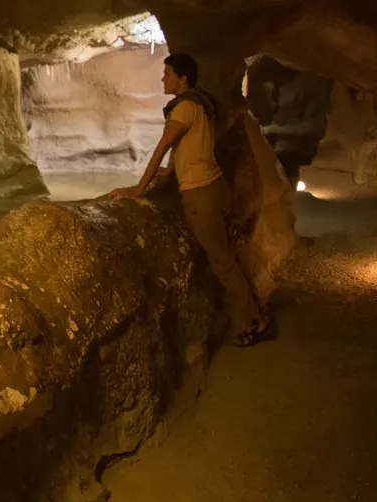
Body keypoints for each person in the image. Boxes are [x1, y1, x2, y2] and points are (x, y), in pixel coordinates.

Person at [112, 53, 273, 346]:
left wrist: (138, 189)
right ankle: (257, 311)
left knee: (223, 264)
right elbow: (194, 143)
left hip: (201, 194)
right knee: (231, 255)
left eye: (168, 74)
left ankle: (253, 323)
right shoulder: (201, 103)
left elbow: (161, 148)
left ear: (183, 78)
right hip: (216, 186)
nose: (163, 79)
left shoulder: (185, 107)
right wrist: (172, 169)